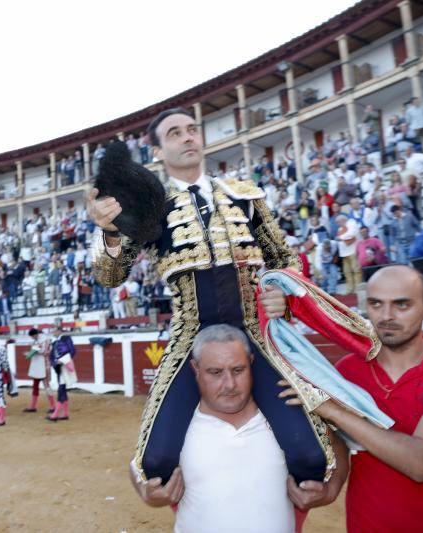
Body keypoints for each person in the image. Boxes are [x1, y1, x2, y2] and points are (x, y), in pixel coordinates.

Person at [88, 107, 333, 487]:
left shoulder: (244, 196)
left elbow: (285, 259)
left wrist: (280, 293)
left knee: (310, 456)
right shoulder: (147, 207)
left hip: (255, 335)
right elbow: (109, 276)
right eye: (174, 134)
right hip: (191, 339)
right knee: (156, 460)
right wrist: (110, 233)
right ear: (156, 152)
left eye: (192, 130)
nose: (187, 137)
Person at [281, 266, 423, 531]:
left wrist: (335, 410)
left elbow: (422, 463)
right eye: (375, 304)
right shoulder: (347, 371)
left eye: (402, 304)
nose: (386, 316)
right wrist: (332, 487)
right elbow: (340, 443)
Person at [131, 325, 347, 533]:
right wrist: (144, 491)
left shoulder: (283, 418)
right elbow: (135, 465)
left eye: (238, 370)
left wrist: (330, 490)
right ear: (196, 369)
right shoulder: (180, 424)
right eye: (215, 372)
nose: (229, 384)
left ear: (251, 363)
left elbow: (338, 444)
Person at [47, 326, 76, 422]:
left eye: (54, 330)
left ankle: (55, 414)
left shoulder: (66, 338)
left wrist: (62, 361)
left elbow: (72, 351)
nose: (52, 332)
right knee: (62, 389)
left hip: (65, 366)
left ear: (59, 331)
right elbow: (51, 356)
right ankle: (65, 414)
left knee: (61, 390)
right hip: (59, 368)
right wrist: (54, 363)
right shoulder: (54, 342)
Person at [23, 328, 55, 414]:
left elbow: (46, 352)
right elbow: (34, 351)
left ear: (35, 334)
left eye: (32, 336)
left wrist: (34, 352)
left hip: (44, 365)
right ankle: (33, 406)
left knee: (47, 386)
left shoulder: (46, 340)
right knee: (35, 385)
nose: (32, 338)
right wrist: (30, 353)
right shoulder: (35, 341)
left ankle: (53, 406)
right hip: (36, 365)